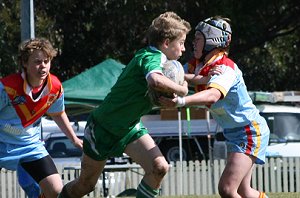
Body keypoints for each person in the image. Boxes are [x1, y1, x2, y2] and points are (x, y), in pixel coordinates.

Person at [58, 11, 191, 198]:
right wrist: (182, 90)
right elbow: (155, 81)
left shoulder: (162, 63)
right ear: (167, 43)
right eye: (182, 43)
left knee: (160, 167)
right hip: (103, 128)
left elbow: (173, 81)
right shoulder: (152, 56)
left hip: (129, 127)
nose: (184, 49)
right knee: (86, 185)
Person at [159, 16, 270, 198]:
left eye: (198, 38)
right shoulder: (197, 65)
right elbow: (177, 73)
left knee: (227, 189)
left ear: (213, 40)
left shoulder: (225, 68)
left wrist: (181, 102)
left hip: (249, 131)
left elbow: (212, 94)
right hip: (235, 132)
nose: (193, 43)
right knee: (244, 191)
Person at [0, 37, 83, 198]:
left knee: (56, 190)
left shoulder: (55, 87)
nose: (43, 66)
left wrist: (74, 139)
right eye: (37, 61)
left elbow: (58, 114)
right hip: (2, 143)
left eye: (46, 61)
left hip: (30, 146)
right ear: (25, 63)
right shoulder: (7, 88)